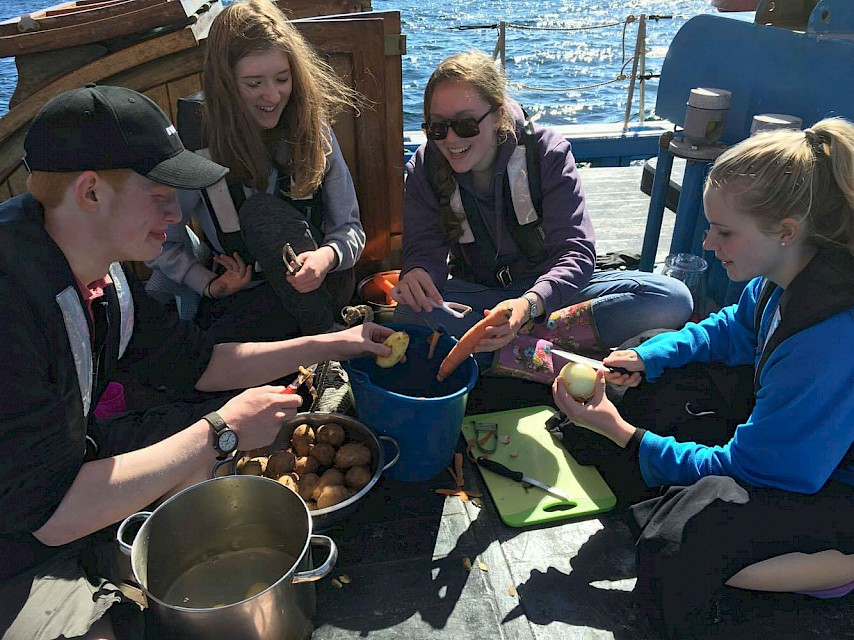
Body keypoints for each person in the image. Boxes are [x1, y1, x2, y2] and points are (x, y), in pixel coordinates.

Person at [0, 84, 394, 640]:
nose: (176, 212)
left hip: (61, 479)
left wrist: (336, 342)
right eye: (159, 193)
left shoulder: (106, 276)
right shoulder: (12, 303)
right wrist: (222, 433)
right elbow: (48, 515)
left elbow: (199, 364)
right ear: (90, 193)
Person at [552, 118, 854, 637]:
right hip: (793, 451)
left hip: (827, 487)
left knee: (674, 544)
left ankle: (836, 567)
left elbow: (758, 469)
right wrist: (651, 359)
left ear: (785, 230)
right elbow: (732, 330)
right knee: (644, 362)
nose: (709, 241)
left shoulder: (827, 339)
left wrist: (622, 436)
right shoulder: (785, 276)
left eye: (726, 231)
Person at [391, 50, 692, 382]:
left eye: (465, 124)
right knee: (408, 313)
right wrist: (419, 275)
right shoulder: (425, 168)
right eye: (438, 127)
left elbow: (575, 253)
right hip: (482, 300)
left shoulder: (547, 153)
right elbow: (424, 250)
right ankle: (559, 356)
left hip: (550, 296)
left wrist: (529, 305)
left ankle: (508, 352)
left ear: (497, 115)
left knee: (671, 298)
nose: (451, 139)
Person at [146, 0, 365, 341]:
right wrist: (209, 285)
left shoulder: (313, 130)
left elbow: (350, 229)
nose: (273, 95)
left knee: (261, 214)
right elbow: (160, 242)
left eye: (282, 78)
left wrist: (325, 258)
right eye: (253, 84)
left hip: (321, 290)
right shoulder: (196, 145)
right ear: (226, 84)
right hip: (246, 295)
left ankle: (325, 336)